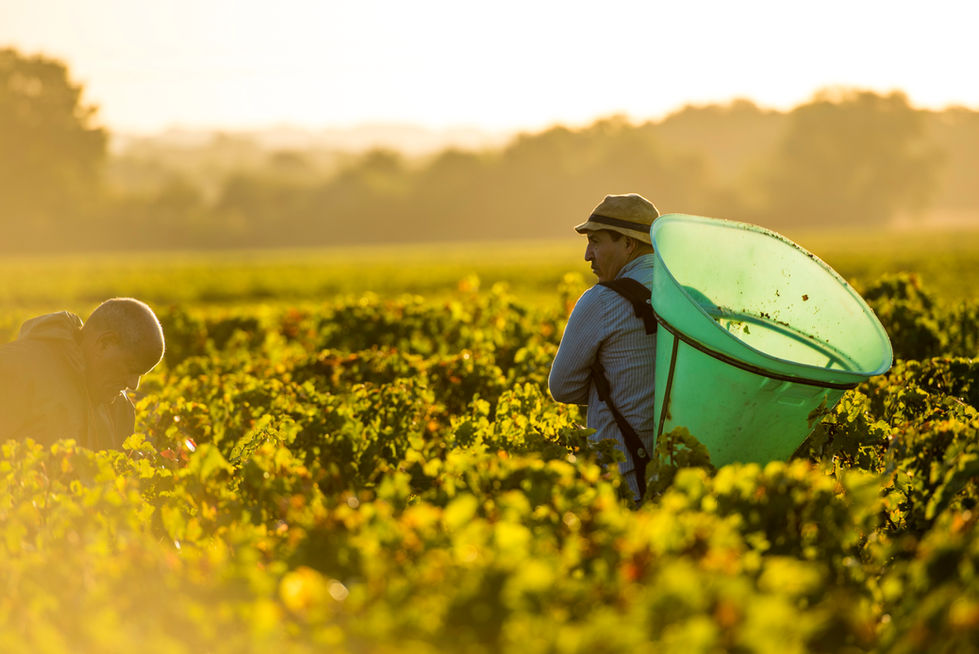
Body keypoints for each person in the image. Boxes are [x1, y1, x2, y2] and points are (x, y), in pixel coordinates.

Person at [549, 193, 659, 501]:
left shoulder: (601, 302)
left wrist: (614, 383)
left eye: (596, 241)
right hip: (681, 477)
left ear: (628, 244)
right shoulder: (688, 295)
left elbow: (562, 388)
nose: (587, 254)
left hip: (621, 480)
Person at [0, 297, 165, 450]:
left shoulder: (121, 410)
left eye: (140, 375)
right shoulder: (14, 369)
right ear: (105, 343)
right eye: (130, 368)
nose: (133, 384)